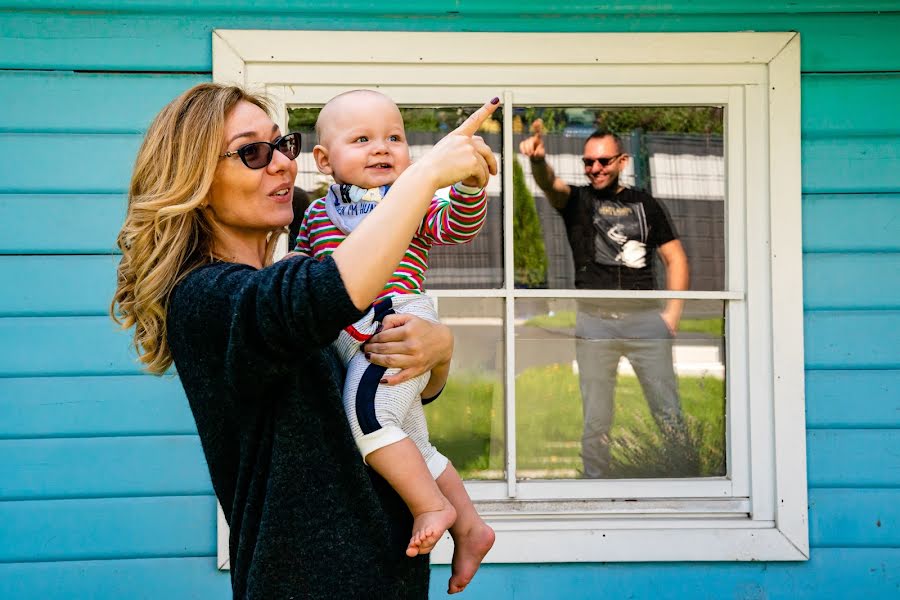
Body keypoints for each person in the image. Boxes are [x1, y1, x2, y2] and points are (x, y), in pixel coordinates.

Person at [110, 83, 498, 599]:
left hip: (386, 576)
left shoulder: (281, 284)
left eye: (282, 145)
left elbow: (394, 394)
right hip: (305, 583)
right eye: (251, 152)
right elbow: (327, 291)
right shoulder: (208, 298)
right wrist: (424, 174)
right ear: (197, 181)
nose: (281, 165)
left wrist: (439, 353)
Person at [295, 89, 495, 590]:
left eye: (394, 138)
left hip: (397, 325)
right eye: (361, 139)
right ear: (323, 160)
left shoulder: (411, 200)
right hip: (355, 338)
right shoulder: (320, 213)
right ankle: (471, 527)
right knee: (416, 443)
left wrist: (471, 186)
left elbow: (457, 227)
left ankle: (432, 506)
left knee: (367, 419)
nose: (382, 148)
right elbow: (301, 265)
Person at [519, 119, 697, 478]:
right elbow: (549, 185)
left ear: (622, 161)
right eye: (588, 163)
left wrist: (671, 315)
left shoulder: (645, 204)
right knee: (596, 416)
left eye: (603, 162)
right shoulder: (577, 201)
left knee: (667, 410)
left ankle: (685, 478)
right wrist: (537, 161)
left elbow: (675, 257)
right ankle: (594, 486)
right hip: (595, 322)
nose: (595, 169)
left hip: (645, 321)